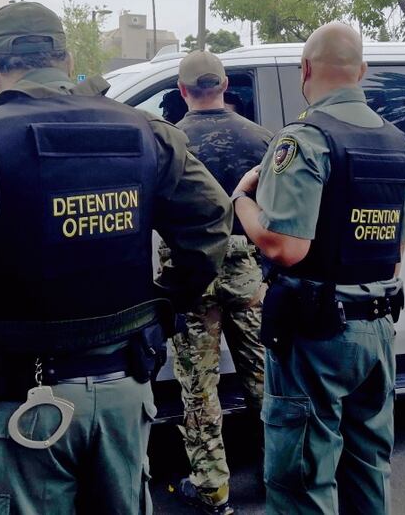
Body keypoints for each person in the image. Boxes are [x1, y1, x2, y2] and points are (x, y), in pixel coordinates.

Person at [0, 2, 232, 515]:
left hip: (21, 403)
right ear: (68, 61)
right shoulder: (148, 132)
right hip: (123, 392)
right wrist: (170, 298)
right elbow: (211, 220)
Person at [232, 22, 405, 514]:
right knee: (367, 469)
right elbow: (395, 250)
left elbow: (284, 246)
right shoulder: (398, 145)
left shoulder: (304, 139)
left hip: (316, 337)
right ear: (363, 71)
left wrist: (242, 201)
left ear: (306, 69)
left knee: (301, 479)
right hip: (376, 332)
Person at [166, 51, 272, 515]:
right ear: (226, 85)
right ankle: (277, 472)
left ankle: (212, 488)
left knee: (198, 383)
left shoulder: (169, 141)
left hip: (191, 269)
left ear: (183, 90)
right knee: (263, 373)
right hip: (247, 265)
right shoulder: (263, 139)